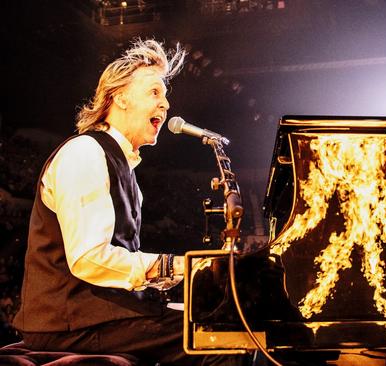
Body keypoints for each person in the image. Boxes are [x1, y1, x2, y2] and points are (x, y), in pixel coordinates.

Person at [13, 39, 242, 365]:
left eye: (165, 96)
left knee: (213, 321)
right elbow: (89, 258)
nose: (165, 105)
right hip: (68, 320)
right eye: (154, 93)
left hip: (95, 316)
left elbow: (121, 263)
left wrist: (185, 279)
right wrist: (176, 266)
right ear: (119, 96)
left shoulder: (121, 167)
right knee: (220, 338)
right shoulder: (85, 153)